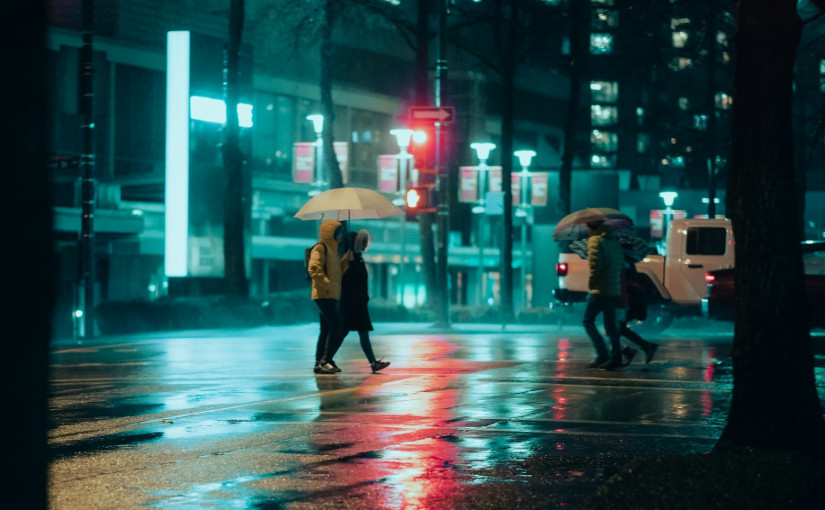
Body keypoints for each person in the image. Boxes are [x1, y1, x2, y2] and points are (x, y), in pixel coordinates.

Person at [340, 229, 390, 373]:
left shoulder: (358, 258)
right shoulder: (349, 259)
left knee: (357, 332)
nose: (366, 244)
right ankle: (325, 358)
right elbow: (348, 281)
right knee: (343, 332)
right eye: (364, 241)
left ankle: (373, 363)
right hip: (353, 303)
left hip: (358, 303)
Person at [308, 219, 352, 374]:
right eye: (338, 233)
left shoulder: (333, 252)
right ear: (330, 233)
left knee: (326, 330)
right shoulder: (320, 248)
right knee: (337, 326)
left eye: (341, 234)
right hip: (323, 295)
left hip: (331, 295)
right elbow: (314, 268)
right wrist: (325, 283)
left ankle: (320, 362)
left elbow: (336, 274)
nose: (340, 237)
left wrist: (345, 263)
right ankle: (325, 360)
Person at [582, 219, 625, 370]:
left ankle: (602, 354)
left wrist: (591, 285)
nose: (585, 229)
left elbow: (595, 267)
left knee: (588, 321)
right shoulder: (613, 241)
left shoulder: (594, 241)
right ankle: (616, 357)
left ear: (591, 226)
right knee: (610, 325)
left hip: (600, 289)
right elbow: (621, 264)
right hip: (613, 288)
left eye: (586, 226)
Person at [618, 244, 659, 365]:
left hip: (624, 301)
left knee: (614, 327)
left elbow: (624, 284)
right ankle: (641, 347)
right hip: (626, 301)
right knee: (617, 327)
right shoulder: (629, 264)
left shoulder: (624, 264)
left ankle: (628, 350)